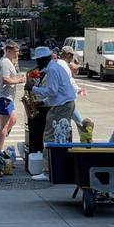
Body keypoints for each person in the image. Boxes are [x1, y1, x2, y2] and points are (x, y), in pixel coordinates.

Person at [26, 50, 76, 180]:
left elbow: (52, 91)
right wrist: (44, 102)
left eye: (37, 60)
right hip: (65, 104)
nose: (36, 63)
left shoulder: (52, 70)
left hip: (61, 106)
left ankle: (48, 171)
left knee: (49, 136)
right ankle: (61, 168)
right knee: (62, 138)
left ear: (42, 59)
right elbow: (59, 90)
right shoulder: (56, 66)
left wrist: (33, 88)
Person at [0, 40, 26, 152]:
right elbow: (6, 80)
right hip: (4, 97)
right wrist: (19, 80)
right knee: (5, 124)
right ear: (8, 51)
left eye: (18, 51)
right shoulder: (5, 62)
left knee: (13, 119)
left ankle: (1, 138)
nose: (17, 54)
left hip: (8, 97)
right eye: (15, 51)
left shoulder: (9, 62)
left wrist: (15, 65)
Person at [52, 46, 86, 129]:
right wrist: (77, 89)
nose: (72, 58)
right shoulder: (62, 65)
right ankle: (86, 138)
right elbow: (68, 81)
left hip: (64, 100)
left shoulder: (61, 64)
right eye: (71, 56)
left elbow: (71, 79)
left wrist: (78, 89)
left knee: (67, 123)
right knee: (79, 122)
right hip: (66, 100)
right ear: (67, 55)